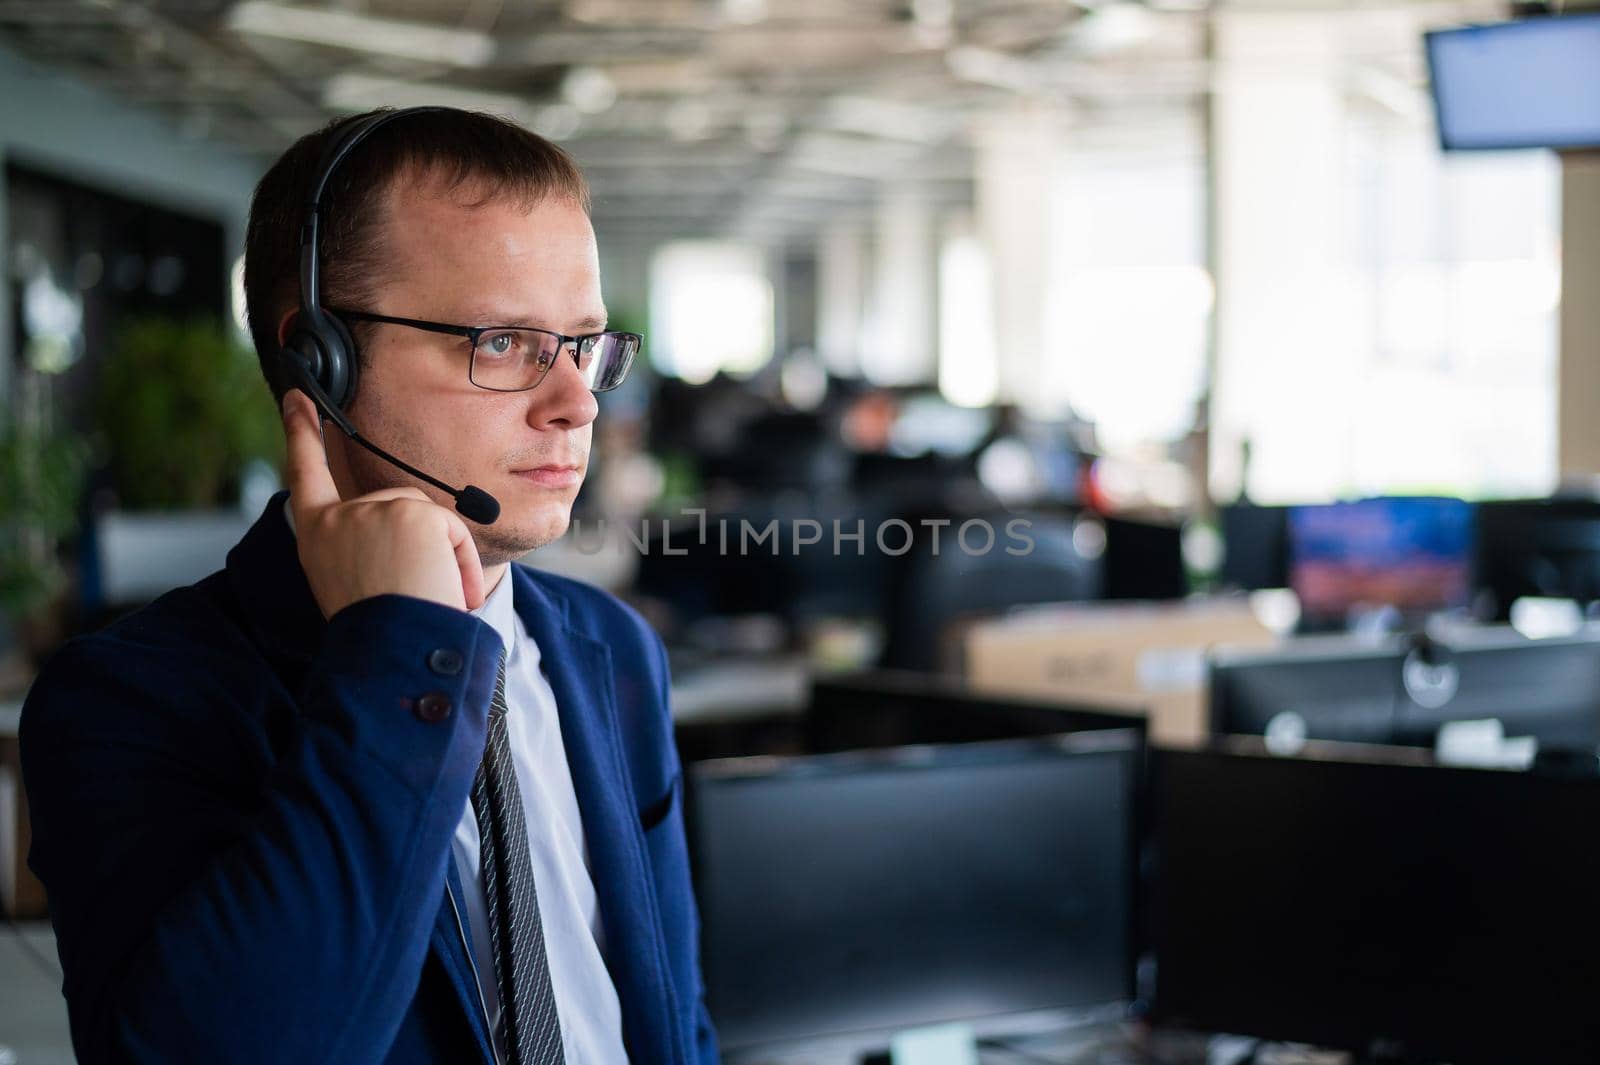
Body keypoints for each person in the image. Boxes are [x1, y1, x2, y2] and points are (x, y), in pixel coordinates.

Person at [20, 107, 718, 1064]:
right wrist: (396, 655)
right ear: (321, 358)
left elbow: (676, 1023)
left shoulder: (611, 649)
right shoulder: (131, 699)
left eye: (584, 344)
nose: (575, 404)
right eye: (506, 342)